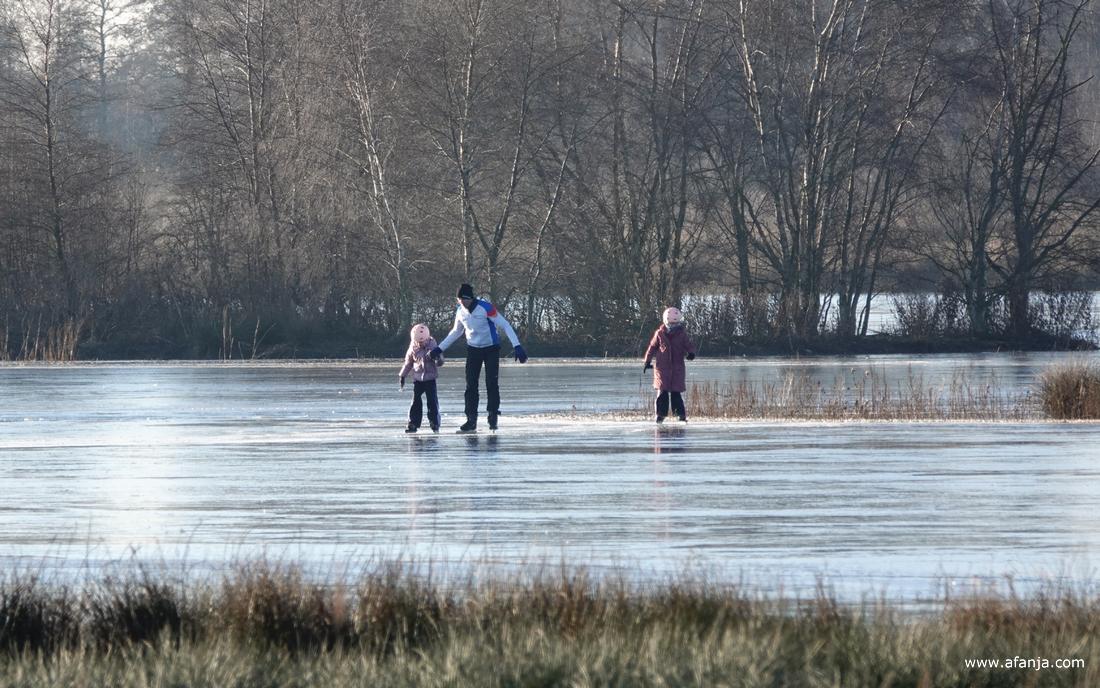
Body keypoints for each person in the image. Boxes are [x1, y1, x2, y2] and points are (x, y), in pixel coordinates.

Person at [432, 283, 527, 432]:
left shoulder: (486, 308)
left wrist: (517, 346)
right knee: (471, 385)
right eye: (459, 300)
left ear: (471, 298)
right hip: (473, 350)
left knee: (491, 383)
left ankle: (493, 415)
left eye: (464, 299)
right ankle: (471, 419)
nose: (462, 302)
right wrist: (439, 348)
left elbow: (505, 325)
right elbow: (456, 332)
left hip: (491, 349)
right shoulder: (460, 311)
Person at [643, 306, 697, 423]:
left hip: (677, 368)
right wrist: (647, 361)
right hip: (662, 369)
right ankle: (660, 415)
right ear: (665, 321)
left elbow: (688, 345)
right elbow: (652, 347)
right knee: (662, 392)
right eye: (670, 323)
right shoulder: (659, 334)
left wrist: (691, 353)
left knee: (676, 393)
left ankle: (680, 415)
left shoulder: (682, 334)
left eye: (675, 324)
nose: (672, 326)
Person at [399, 323, 442, 433]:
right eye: (418, 341)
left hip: (430, 379)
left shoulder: (433, 345)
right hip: (417, 379)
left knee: (432, 402)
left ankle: (435, 423)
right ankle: (413, 423)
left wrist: (437, 359)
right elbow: (408, 363)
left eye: (422, 341)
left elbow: (440, 361)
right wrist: (402, 376)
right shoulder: (413, 347)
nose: (420, 343)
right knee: (415, 401)